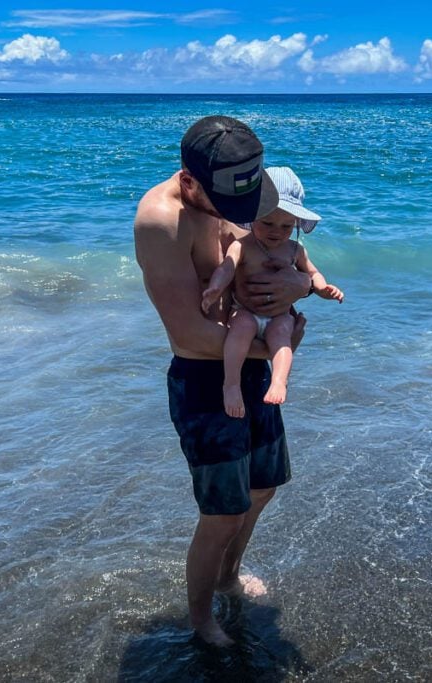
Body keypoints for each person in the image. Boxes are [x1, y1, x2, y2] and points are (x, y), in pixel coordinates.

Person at [133, 115, 312, 647]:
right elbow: (188, 331)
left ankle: (230, 577)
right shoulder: (160, 221)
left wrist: (301, 284)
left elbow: (275, 259)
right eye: (227, 209)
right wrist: (278, 347)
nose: (240, 219)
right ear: (190, 182)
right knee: (222, 511)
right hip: (205, 379)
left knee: (262, 488)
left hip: (250, 362)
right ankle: (200, 618)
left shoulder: (234, 188)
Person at [201, 166, 343, 417]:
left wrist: (322, 288)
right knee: (240, 329)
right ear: (253, 216)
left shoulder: (295, 250)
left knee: (282, 337)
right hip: (246, 310)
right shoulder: (242, 245)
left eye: (286, 226)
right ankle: (231, 384)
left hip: (279, 315)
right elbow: (227, 268)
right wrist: (215, 288)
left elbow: (312, 273)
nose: (276, 231)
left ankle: (279, 380)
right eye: (268, 223)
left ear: (296, 224)